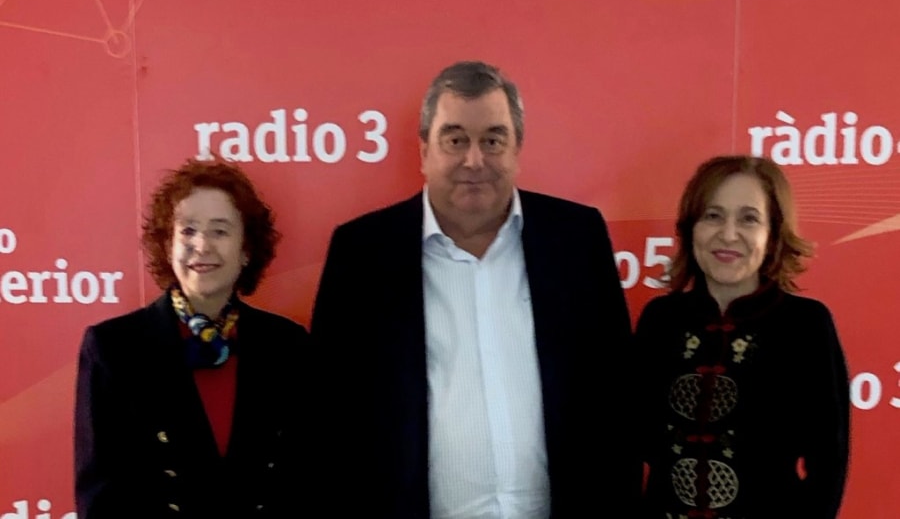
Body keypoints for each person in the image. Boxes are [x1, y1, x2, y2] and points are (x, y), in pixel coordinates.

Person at [311, 60, 637, 519]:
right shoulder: (362, 253)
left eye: (493, 140)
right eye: (455, 139)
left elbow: (616, 400)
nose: (474, 161)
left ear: (517, 149)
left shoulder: (577, 239)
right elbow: (330, 420)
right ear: (424, 150)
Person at [75, 157, 309, 519]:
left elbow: (306, 481)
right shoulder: (114, 348)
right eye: (187, 230)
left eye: (220, 231)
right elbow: (102, 501)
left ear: (246, 250)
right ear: (168, 245)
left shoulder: (287, 345)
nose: (202, 245)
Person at [635, 155, 850, 519]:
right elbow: (626, 443)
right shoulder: (661, 320)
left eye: (749, 219)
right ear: (691, 228)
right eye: (713, 216)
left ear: (773, 234)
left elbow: (829, 465)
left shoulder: (805, 325)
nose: (729, 234)